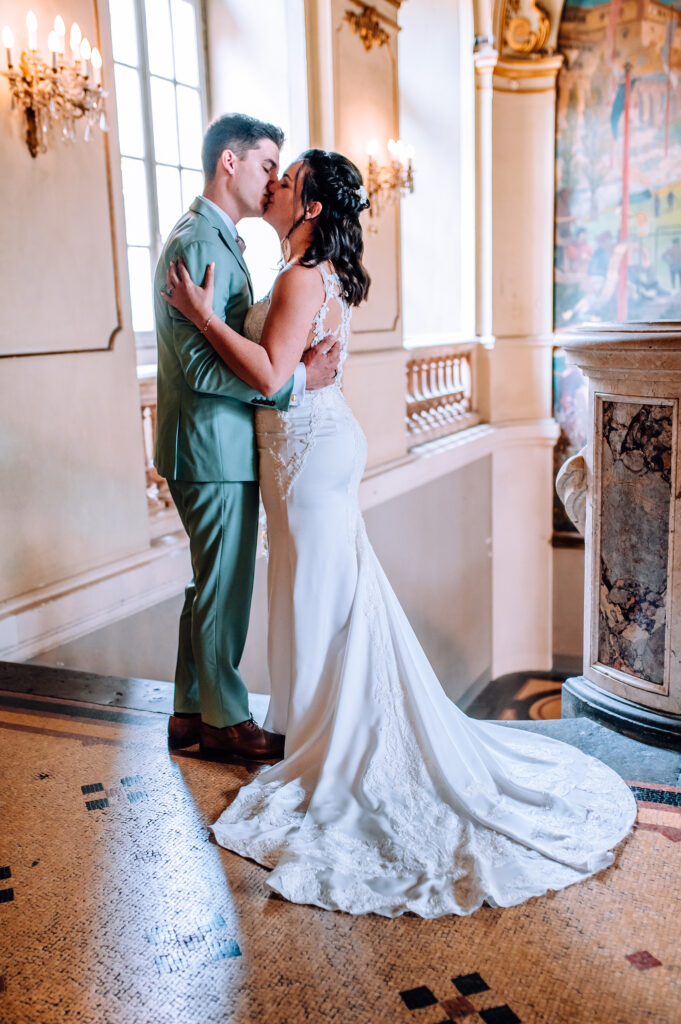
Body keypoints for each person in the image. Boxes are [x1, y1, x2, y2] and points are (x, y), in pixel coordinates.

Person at [162, 149, 636, 918]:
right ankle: (317, 724)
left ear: (312, 208)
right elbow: (291, 372)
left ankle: (324, 739)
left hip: (308, 458)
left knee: (315, 592)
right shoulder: (312, 275)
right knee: (324, 593)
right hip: (308, 450)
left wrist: (203, 316)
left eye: (289, 183)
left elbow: (267, 372)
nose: (276, 187)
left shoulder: (299, 278)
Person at [154, 114, 340, 764]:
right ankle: (226, 721)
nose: (271, 182)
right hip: (210, 444)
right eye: (266, 165)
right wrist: (292, 385)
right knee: (225, 584)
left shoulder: (217, 237)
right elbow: (203, 365)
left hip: (218, 441)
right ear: (228, 163)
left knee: (210, 582)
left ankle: (188, 709)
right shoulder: (199, 241)